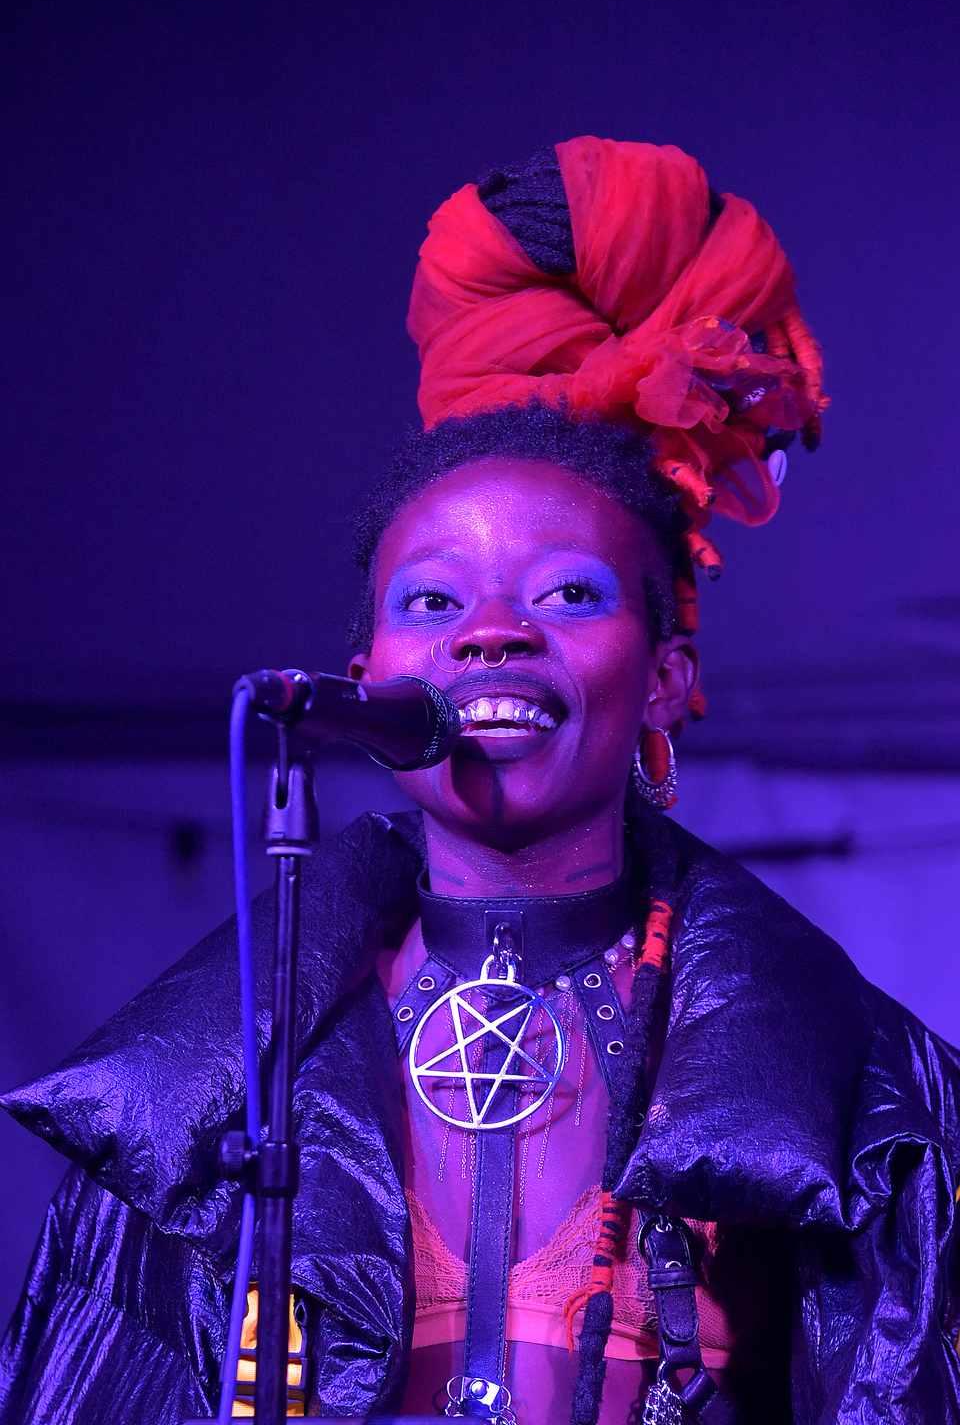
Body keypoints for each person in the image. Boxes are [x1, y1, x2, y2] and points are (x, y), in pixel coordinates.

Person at [2, 138, 959, 1425]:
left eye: (569, 592)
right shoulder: (202, 1095)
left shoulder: (861, 1091)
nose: (491, 631)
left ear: (670, 678)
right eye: (434, 599)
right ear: (368, 670)